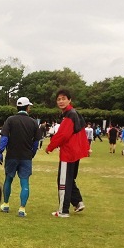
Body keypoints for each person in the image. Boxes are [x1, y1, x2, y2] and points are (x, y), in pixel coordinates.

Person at [46, 89, 89, 217]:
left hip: (69, 153)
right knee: (69, 179)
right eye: (58, 99)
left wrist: (50, 146)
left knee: (63, 181)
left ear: (69, 100)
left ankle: (63, 210)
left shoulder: (70, 114)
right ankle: (78, 202)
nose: (61, 101)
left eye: (63, 98)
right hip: (75, 152)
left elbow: (63, 135)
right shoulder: (72, 113)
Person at [0, 96, 42, 218]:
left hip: (12, 155)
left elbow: (4, 137)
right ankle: (22, 208)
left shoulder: (10, 120)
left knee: (8, 179)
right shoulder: (33, 122)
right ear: (27, 107)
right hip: (26, 156)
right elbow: (36, 142)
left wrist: (0, 152)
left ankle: (6, 204)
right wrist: (32, 153)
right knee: (25, 182)